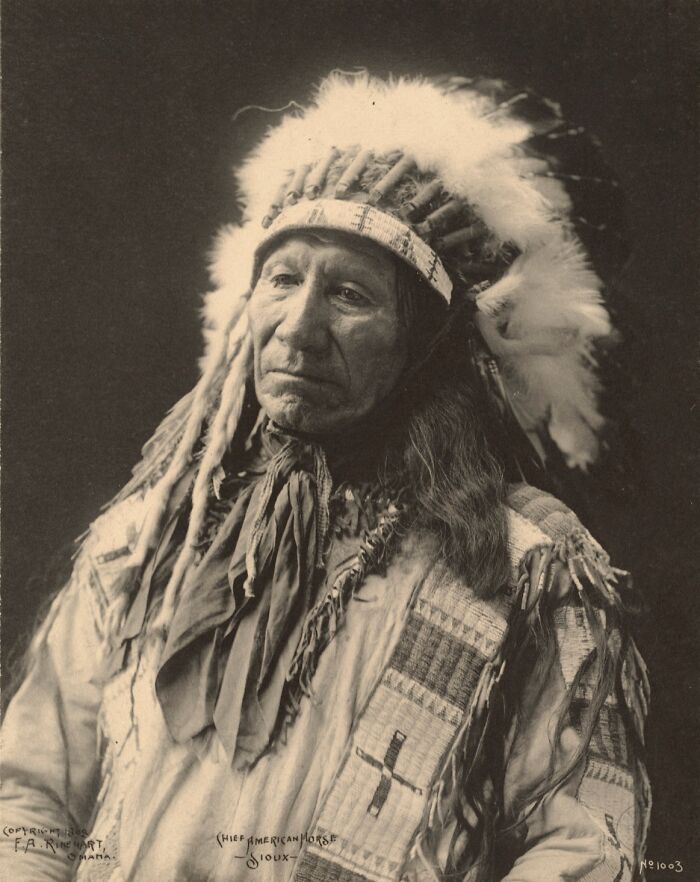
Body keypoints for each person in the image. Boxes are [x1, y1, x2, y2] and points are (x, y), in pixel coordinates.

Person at [0, 72, 650, 882]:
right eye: (282, 279)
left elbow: (586, 841)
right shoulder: (145, 544)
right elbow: (28, 799)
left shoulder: (523, 568)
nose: (299, 329)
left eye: (349, 294)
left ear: (422, 348)